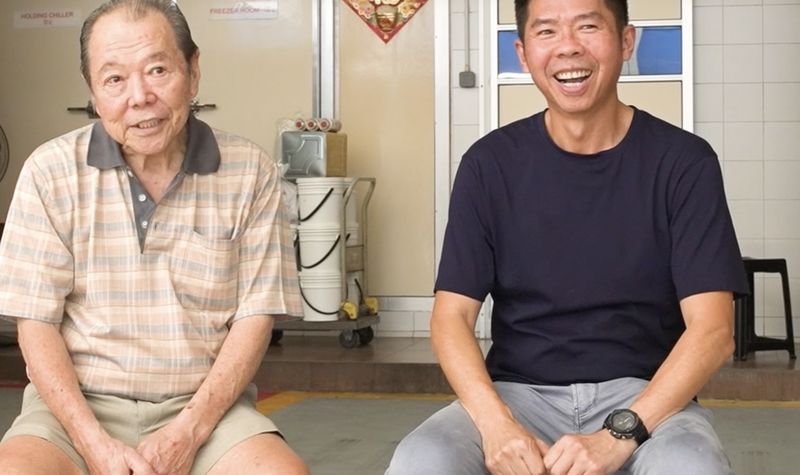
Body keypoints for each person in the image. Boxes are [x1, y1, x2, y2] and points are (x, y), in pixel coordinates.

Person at [387, 0, 748, 474]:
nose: (568, 48)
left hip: (648, 399)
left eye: (588, 26)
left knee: (692, 466)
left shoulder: (684, 163)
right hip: (517, 394)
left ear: (625, 42)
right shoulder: (489, 165)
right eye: (547, 32)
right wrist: (496, 424)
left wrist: (621, 433)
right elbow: (450, 316)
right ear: (522, 52)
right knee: (422, 459)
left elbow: (714, 330)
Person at [0, 1, 308, 474]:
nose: (140, 96)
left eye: (158, 69)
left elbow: (255, 317)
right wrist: (94, 444)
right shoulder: (49, 172)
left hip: (205, 408)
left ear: (193, 71)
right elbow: (35, 324)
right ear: (94, 92)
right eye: (115, 79)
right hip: (75, 409)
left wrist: (190, 430)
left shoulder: (250, 172)